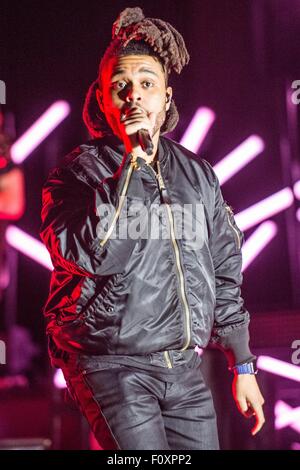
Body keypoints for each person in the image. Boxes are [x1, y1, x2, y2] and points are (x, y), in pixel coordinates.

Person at [40, 7, 265, 450]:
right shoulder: (74, 177)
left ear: (166, 97)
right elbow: (101, 253)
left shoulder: (197, 175)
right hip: (109, 365)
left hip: (184, 369)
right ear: (103, 100)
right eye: (120, 86)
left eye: (147, 84)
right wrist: (133, 165)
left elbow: (224, 269)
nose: (134, 97)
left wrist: (242, 365)